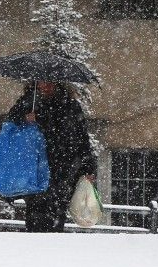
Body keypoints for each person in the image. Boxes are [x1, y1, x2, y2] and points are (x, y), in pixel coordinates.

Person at [6, 81, 97, 233]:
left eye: (49, 83)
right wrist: (24, 118)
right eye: (42, 83)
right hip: (34, 167)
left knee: (56, 210)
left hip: (61, 168)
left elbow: (81, 139)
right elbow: (11, 124)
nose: (45, 87)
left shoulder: (70, 106)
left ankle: (51, 245)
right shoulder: (28, 102)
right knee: (36, 212)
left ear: (58, 84)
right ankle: (37, 244)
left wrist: (88, 168)